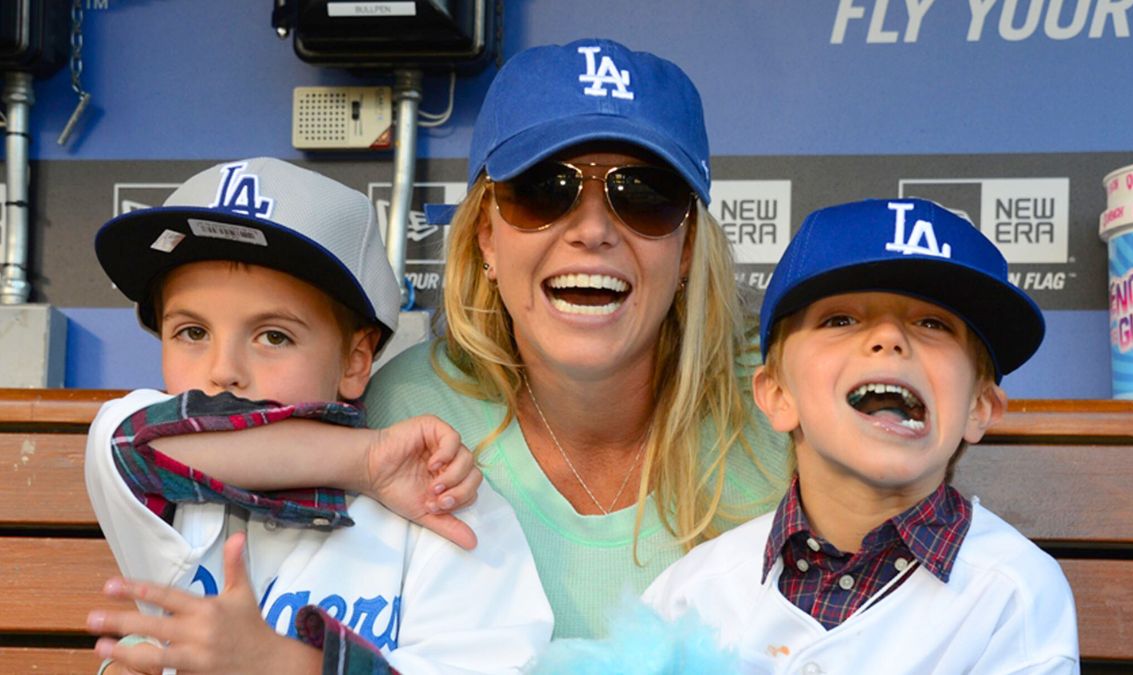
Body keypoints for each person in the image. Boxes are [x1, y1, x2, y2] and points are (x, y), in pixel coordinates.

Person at [365, 38, 792, 639]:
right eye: (545, 188)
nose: (593, 230)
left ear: (688, 247)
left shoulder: (783, 417)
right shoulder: (401, 410)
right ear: (486, 236)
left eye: (642, 196)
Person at [83, 158, 552, 674]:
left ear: (355, 361)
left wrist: (285, 666)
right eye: (192, 332)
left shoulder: (442, 504)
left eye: (273, 336)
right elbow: (131, 444)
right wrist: (365, 461)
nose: (224, 371)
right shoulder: (164, 489)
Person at [643, 198, 1080, 673]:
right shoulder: (695, 592)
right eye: (841, 319)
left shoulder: (1014, 594)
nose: (889, 338)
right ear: (776, 395)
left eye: (933, 324)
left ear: (979, 408)